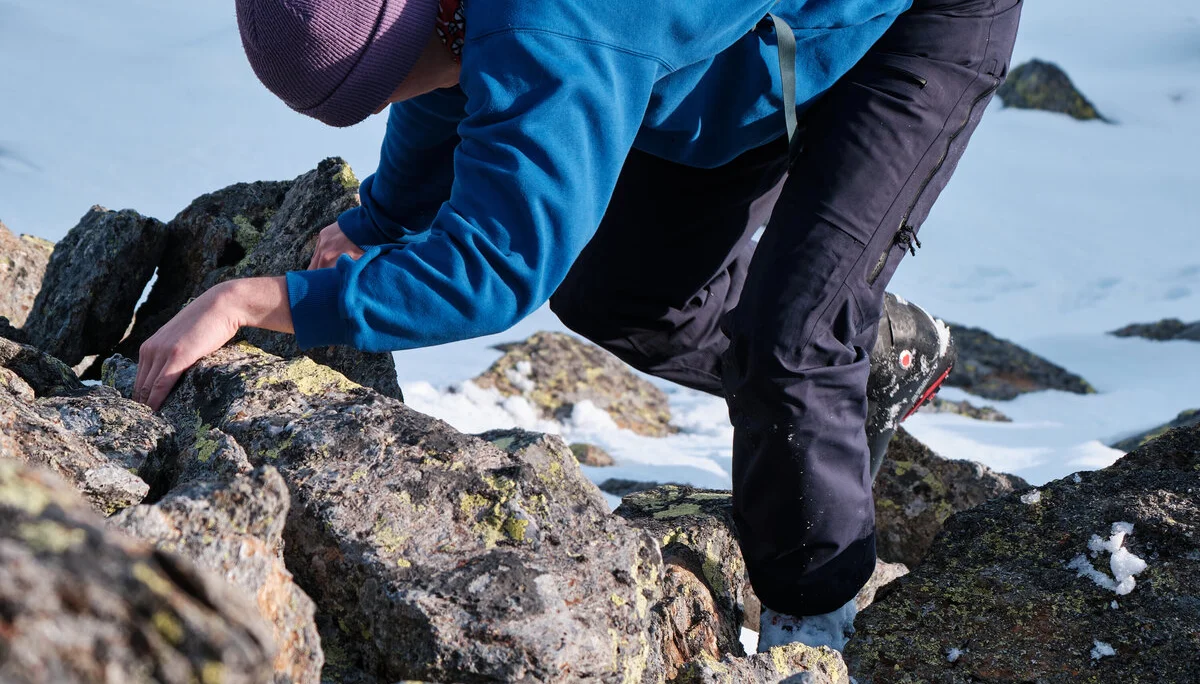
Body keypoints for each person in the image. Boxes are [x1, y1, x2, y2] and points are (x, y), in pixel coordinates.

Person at [135, 0, 1020, 651]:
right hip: (746, 50)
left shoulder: (546, 24)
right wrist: (382, 217)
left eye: (373, 98)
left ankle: (812, 633)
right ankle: (868, 362)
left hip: (910, 26)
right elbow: (450, 84)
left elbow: (494, 267)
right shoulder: (459, 19)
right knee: (610, 290)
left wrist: (255, 301)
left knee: (794, 342)